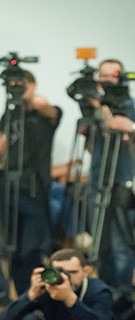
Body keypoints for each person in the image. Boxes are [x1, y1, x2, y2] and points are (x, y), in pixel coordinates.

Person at [0, 70, 62, 294]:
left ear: (32, 85)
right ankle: (21, 296)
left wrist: (27, 98)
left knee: (31, 249)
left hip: (34, 191)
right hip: (8, 191)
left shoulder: (45, 111)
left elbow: (46, 108)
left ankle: (37, 294)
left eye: (20, 85)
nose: (16, 89)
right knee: (11, 249)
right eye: (11, 85)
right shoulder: (9, 114)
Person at [86, 58, 135, 304]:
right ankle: (103, 291)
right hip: (98, 181)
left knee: (121, 244)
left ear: (121, 78)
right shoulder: (95, 107)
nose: (106, 81)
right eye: (101, 77)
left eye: (111, 76)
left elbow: (120, 126)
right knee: (102, 243)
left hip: (124, 181)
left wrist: (131, 127)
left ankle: (123, 295)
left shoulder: (132, 106)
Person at [0, 248, 112, 320]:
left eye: (72, 272)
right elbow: (5, 317)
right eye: (60, 272)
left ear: (86, 271)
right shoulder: (47, 288)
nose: (67, 277)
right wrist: (31, 295)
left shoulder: (98, 290)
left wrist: (70, 299)